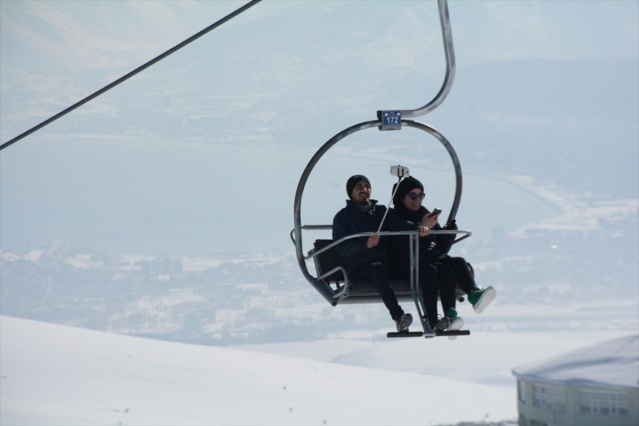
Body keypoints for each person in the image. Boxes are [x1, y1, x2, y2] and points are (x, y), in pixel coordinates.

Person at [387, 176, 496, 332]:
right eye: (413, 196)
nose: (417, 200)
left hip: (428, 259)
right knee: (434, 270)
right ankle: (433, 320)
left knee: (454, 265)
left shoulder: (425, 215)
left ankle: (460, 305)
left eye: (421, 196)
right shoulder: (394, 217)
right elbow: (399, 246)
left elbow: (441, 249)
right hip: (406, 264)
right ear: (401, 197)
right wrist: (420, 229)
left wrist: (449, 233)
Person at [332, 174, 439, 332]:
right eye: (359, 187)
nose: (364, 189)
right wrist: (365, 244)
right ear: (351, 193)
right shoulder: (342, 218)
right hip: (359, 267)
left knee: (428, 269)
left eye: (367, 186)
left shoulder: (381, 211)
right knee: (377, 268)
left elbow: (400, 226)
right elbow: (341, 249)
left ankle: (433, 321)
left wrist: (418, 229)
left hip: (385, 264)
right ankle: (399, 317)